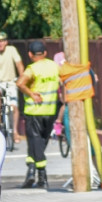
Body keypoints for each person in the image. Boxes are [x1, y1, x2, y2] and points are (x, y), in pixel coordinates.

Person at [15, 41, 60, 189]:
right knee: (39, 144)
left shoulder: (32, 69)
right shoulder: (54, 66)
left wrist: (31, 93)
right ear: (45, 53)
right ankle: (31, 172)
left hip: (34, 112)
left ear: (30, 54)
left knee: (35, 143)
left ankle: (41, 176)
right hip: (50, 112)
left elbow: (20, 83)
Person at [0, 29, 24, 142]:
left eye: (2, 41)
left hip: (11, 81)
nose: (0, 43)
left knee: (14, 106)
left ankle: (15, 131)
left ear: (6, 42)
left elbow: (19, 64)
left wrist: (21, 76)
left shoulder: (12, 50)